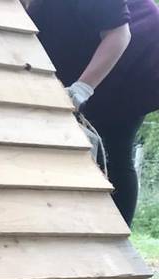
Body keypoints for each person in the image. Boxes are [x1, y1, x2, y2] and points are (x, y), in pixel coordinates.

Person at [23, 0, 159, 226]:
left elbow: (119, 35)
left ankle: (116, 233)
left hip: (137, 54)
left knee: (114, 148)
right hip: (87, 46)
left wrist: (82, 88)